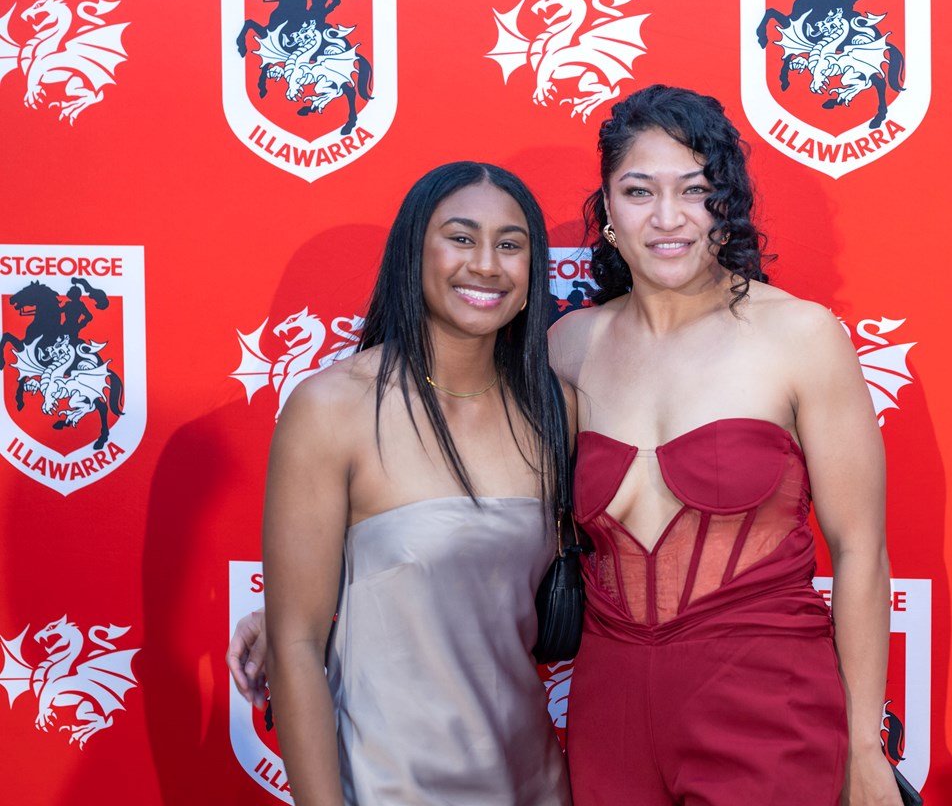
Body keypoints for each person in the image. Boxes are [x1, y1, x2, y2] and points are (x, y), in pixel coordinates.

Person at [231, 86, 899, 805]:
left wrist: (865, 749)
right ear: (607, 208)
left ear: (726, 203)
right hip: (610, 710)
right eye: (639, 191)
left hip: (763, 696)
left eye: (694, 190)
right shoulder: (567, 350)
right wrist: (302, 610)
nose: (667, 217)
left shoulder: (801, 337)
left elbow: (860, 550)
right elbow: (464, 495)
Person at [253, 160, 571, 806]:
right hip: (387, 785)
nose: (486, 264)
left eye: (510, 245)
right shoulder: (332, 408)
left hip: (532, 783)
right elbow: (296, 644)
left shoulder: (557, 409)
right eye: (461, 237)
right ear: (413, 252)